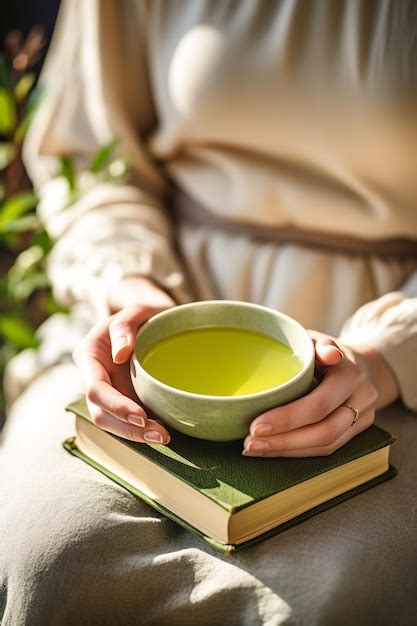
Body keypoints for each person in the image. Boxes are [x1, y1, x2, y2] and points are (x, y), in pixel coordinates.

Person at [1, 1, 416, 624]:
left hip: (382, 370)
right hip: (153, 323)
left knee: (334, 598)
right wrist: (130, 283)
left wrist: (389, 351)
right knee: (54, 551)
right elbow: (88, 158)